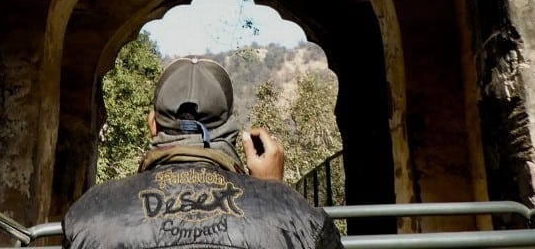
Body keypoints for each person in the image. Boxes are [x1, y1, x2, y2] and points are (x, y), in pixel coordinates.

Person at [63, 56, 344, 248]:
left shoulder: (91, 212)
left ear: (154, 124)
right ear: (233, 130)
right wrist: (274, 192)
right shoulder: (298, 216)